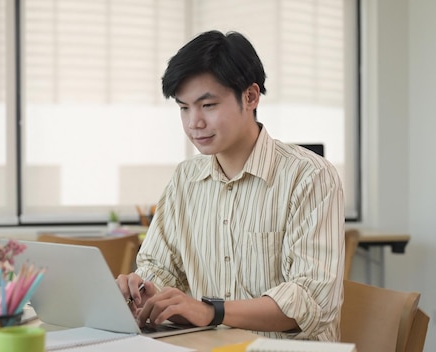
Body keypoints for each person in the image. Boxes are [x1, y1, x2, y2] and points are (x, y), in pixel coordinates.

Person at [116, 30, 345, 341]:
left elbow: (311, 300)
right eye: (184, 108)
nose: (194, 122)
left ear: (250, 97)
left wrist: (212, 311)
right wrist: (141, 292)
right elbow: (160, 269)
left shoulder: (310, 176)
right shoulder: (185, 179)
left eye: (207, 105)